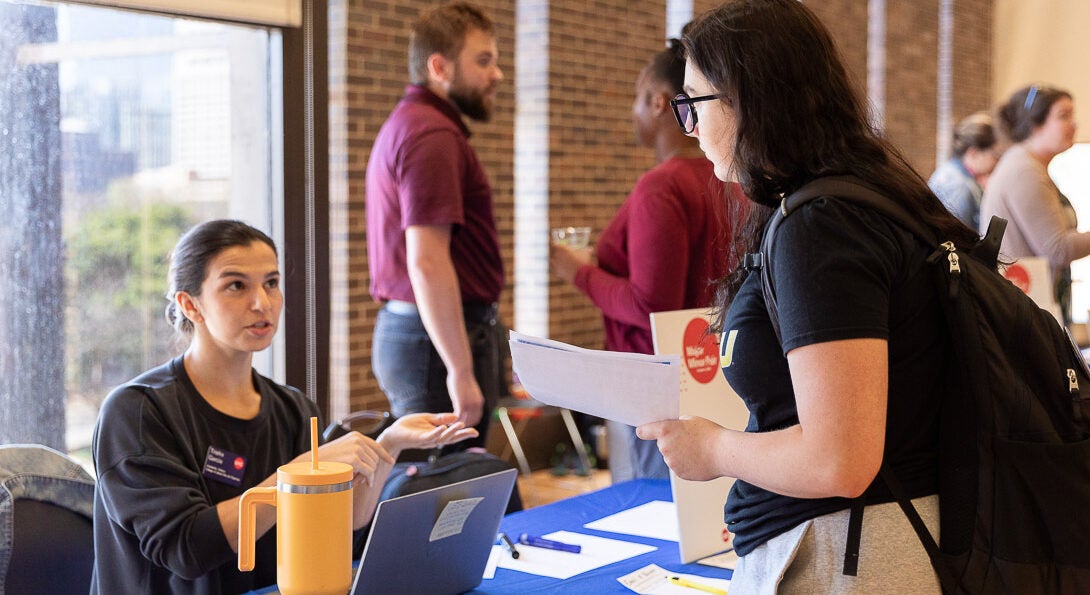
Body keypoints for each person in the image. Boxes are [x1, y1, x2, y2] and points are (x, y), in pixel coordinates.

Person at [636, 1, 982, 591]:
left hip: (851, 554)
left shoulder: (820, 225)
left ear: (751, 98)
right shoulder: (865, 197)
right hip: (878, 536)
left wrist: (714, 450)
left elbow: (838, 459)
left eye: (694, 103)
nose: (688, 126)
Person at [91, 220, 476, 594]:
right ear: (190, 305)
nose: (262, 303)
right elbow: (187, 548)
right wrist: (298, 475)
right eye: (236, 285)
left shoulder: (293, 408)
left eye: (271, 283)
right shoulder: (138, 412)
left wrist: (387, 446)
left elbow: (340, 526)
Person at [550, 39, 748, 480]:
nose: (633, 112)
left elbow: (650, 306)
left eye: (637, 99)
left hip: (652, 390)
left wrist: (578, 272)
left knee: (648, 511)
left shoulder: (661, 187)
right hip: (712, 375)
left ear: (660, 103)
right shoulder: (731, 184)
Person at [366, 1, 505, 452]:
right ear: (439, 67)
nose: (497, 74)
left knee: (460, 490)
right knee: (444, 499)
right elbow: (426, 261)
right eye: (483, 61)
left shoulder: (419, 125)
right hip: (434, 344)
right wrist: (460, 369)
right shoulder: (431, 136)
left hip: (429, 337)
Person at [980, 84, 1082, 324]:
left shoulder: (1028, 165)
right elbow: (1058, 249)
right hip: (1023, 306)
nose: (1074, 124)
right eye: (1063, 116)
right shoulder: (1024, 171)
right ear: (1035, 124)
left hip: (1027, 303)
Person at [927, 111, 1000, 230]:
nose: (996, 161)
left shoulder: (953, 172)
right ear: (974, 153)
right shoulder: (959, 186)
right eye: (994, 155)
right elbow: (958, 240)